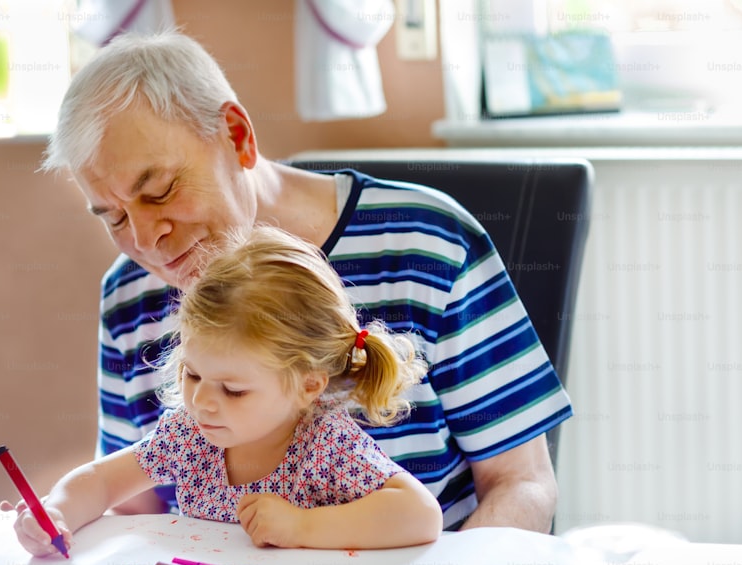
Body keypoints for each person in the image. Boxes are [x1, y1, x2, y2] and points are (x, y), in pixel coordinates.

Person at [41, 29, 572, 533]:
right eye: (112, 216)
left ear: (238, 137)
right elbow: (132, 508)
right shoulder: (130, 294)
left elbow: (522, 483)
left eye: (158, 191)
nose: (146, 239)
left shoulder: (428, 245)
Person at [6, 226, 442, 555]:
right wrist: (58, 512)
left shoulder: (325, 443)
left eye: (233, 391)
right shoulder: (190, 435)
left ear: (308, 385)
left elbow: (420, 515)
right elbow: (101, 482)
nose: (201, 401)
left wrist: (302, 528)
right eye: (193, 375)